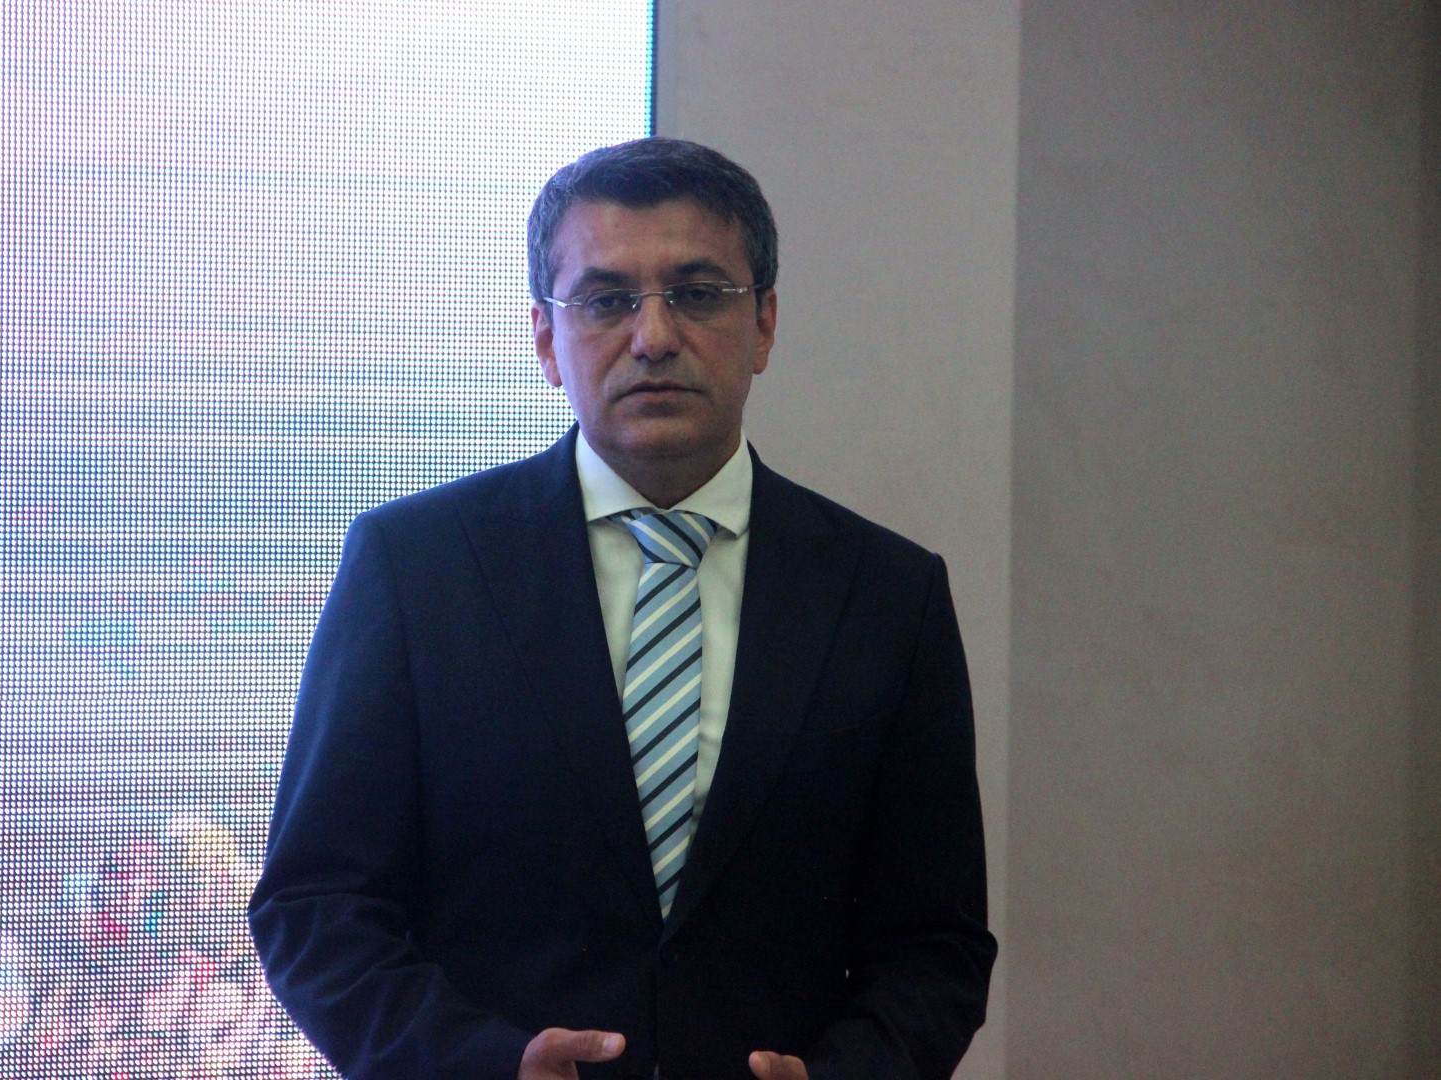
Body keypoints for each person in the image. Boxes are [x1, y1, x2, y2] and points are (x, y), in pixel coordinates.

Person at [248, 137, 996, 1080]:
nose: (654, 337)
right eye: (606, 301)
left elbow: (936, 945)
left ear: (765, 322)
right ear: (544, 340)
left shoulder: (887, 594)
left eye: (698, 293)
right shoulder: (416, 568)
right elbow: (316, 907)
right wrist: (483, 1066)